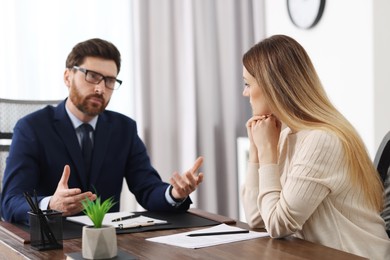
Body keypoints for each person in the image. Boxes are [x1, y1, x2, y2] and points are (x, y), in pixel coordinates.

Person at [1, 38, 204, 224]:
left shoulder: (124, 129)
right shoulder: (32, 128)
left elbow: (147, 188)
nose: (101, 88)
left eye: (109, 80)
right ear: (67, 77)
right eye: (92, 76)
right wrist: (51, 205)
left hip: (108, 242)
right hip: (52, 242)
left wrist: (174, 194)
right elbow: (11, 201)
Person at [240, 34, 390, 259]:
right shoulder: (285, 133)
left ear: (274, 86)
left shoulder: (321, 140)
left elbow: (278, 225)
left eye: (247, 84)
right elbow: (256, 218)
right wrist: (256, 151)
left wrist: (267, 154)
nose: (245, 93)